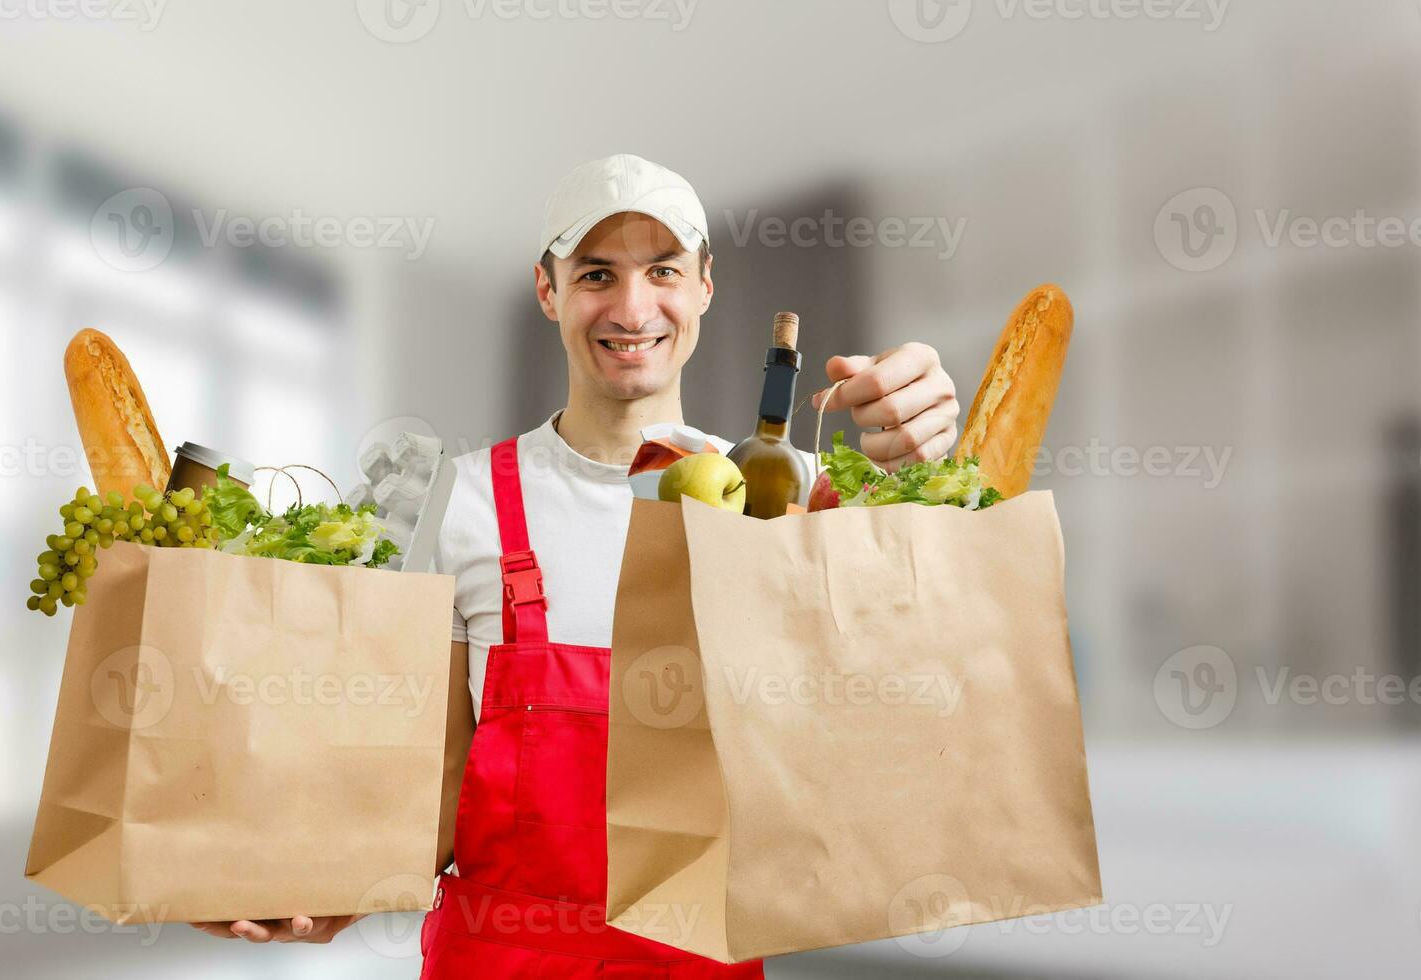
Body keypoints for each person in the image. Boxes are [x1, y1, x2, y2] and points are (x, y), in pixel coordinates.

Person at [192, 153, 960, 976]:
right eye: (597, 273)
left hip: (697, 955)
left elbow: (893, 697)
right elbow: (442, 779)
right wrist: (317, 885)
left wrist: (915, 457)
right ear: (548, 290)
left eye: (663, 269)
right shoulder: (465, 499)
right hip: (499, 957)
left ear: (704, 286)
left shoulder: (786, 496)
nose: (632, 307)